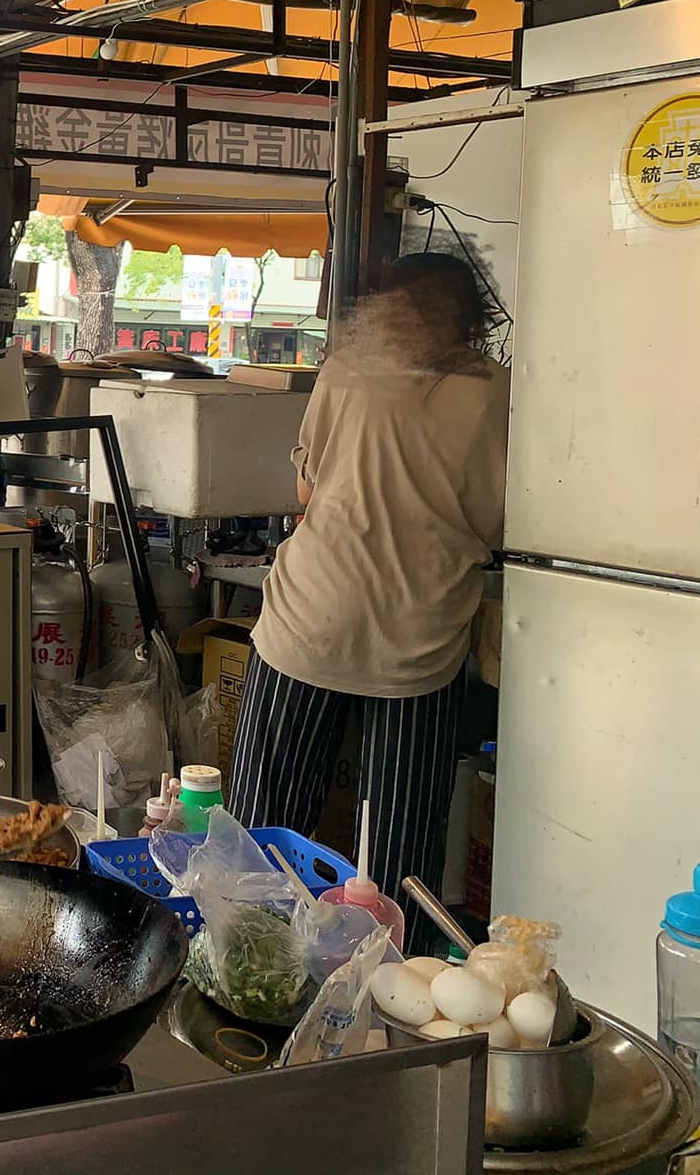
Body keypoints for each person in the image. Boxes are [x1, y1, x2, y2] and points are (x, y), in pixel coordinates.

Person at [226, 250, 509, 937]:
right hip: (418, 640)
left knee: (264, 833)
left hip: (308, 621)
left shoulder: (347, 370)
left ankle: (241, 967)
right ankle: (378, 1000)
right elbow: (506, 520)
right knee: (394, 857)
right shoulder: (498, 390)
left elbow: (306, 489)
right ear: (470, 319)